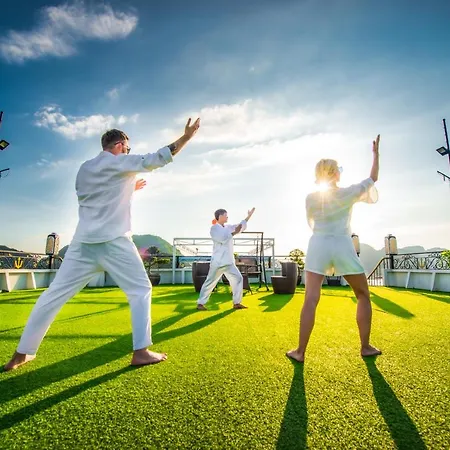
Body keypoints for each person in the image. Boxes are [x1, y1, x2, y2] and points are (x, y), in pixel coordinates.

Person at [4, 118, 200, 371]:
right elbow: (157, 158)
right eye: (127, 149)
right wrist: (186, 138)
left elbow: (98, 196)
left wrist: (129, 188)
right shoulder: (118, 162)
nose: (127, 152)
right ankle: (141, 351)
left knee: (53, 296)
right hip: (115, 241)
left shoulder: (85, 168)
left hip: (82, 244)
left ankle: (21, 354)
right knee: (140, 290)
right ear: (119, 146)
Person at [287, 135, 382, 363]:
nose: (340, 172)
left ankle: (300, 352)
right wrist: (375, 155)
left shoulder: (310, 198)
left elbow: (311, 222)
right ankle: (365, 347)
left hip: (318, 244)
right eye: (338, 169)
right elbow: (373, 178)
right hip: (342, 244)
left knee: (310, 299)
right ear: (334, 173)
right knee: (362, 294)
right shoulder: (348, 192)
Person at [197, 208, 255, 310]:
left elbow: (240, 226)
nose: (227, 216)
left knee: (238, 279)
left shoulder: (228, 227)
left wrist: (248, 216)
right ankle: (200, 303)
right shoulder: (214, 229)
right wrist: (234, 233)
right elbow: (222, 239)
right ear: (220, 216)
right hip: (218, 262)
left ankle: (237, 303)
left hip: (228, 262)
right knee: (210, 282)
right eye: (225, 215)